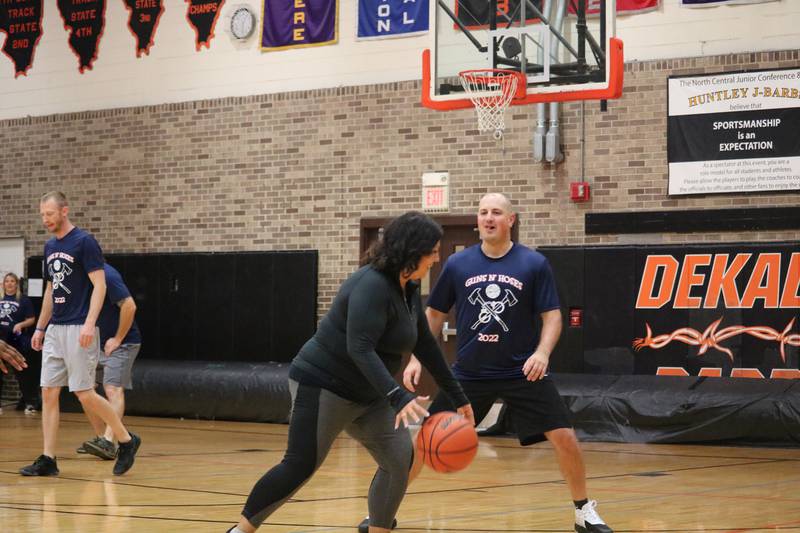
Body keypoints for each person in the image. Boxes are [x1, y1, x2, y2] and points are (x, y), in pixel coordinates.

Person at [227, 211, 474, 533]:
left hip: (369, 394)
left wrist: (458, 397)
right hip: (323, 385)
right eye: (433, 250)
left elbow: (425, 344)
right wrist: (398, 396)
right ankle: (241, 530)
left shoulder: (409, 287)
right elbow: (360, 348)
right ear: (413, 251)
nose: (437, 257)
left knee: (400, 460)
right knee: (300, 465)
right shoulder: (371, 285)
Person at [401, 193, 613, 533]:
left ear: (510, 220)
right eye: (483, 212)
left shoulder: (533, 263)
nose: (488, 218)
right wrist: (416, 358)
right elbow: (435, 314)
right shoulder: (458, 265)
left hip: (521, 372)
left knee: (565, 438)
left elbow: (553, 317)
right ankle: (384, 508)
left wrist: (542, 353)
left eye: (496, 212)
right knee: (425, 441)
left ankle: (583, 511)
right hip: (469, 374)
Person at [20, 191, 141, 477]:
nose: (45, 219)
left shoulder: (85, 242)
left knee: (84, 393)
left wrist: (89, 323)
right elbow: (51, 289)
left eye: (49, 214)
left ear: (64, 211)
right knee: (49, 392)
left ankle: (125, 440)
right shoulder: (50, 247)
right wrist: (40, 326)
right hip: (56, 328)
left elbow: (99, 286)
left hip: (79, 327)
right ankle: (48, 458)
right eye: (42, 215)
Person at [77, 263, 142, 460]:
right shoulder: (77, 278)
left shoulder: (109, 275)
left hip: (122, 343)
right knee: (84, 389)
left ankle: (109, 439)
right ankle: (101, 440)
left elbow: (130, 306)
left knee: (112, 388)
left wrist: (118, 338)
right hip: (95, 342)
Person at [0, 272, 39, 414]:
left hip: (16, 338)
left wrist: (21, 324)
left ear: (16, 284)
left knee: (22, 371)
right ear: (3, 284)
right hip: (1, 338)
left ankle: (29, 403)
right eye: (7, 281)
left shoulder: (23, 299)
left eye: (12, 281)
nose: (9, 283)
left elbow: (31, 319)